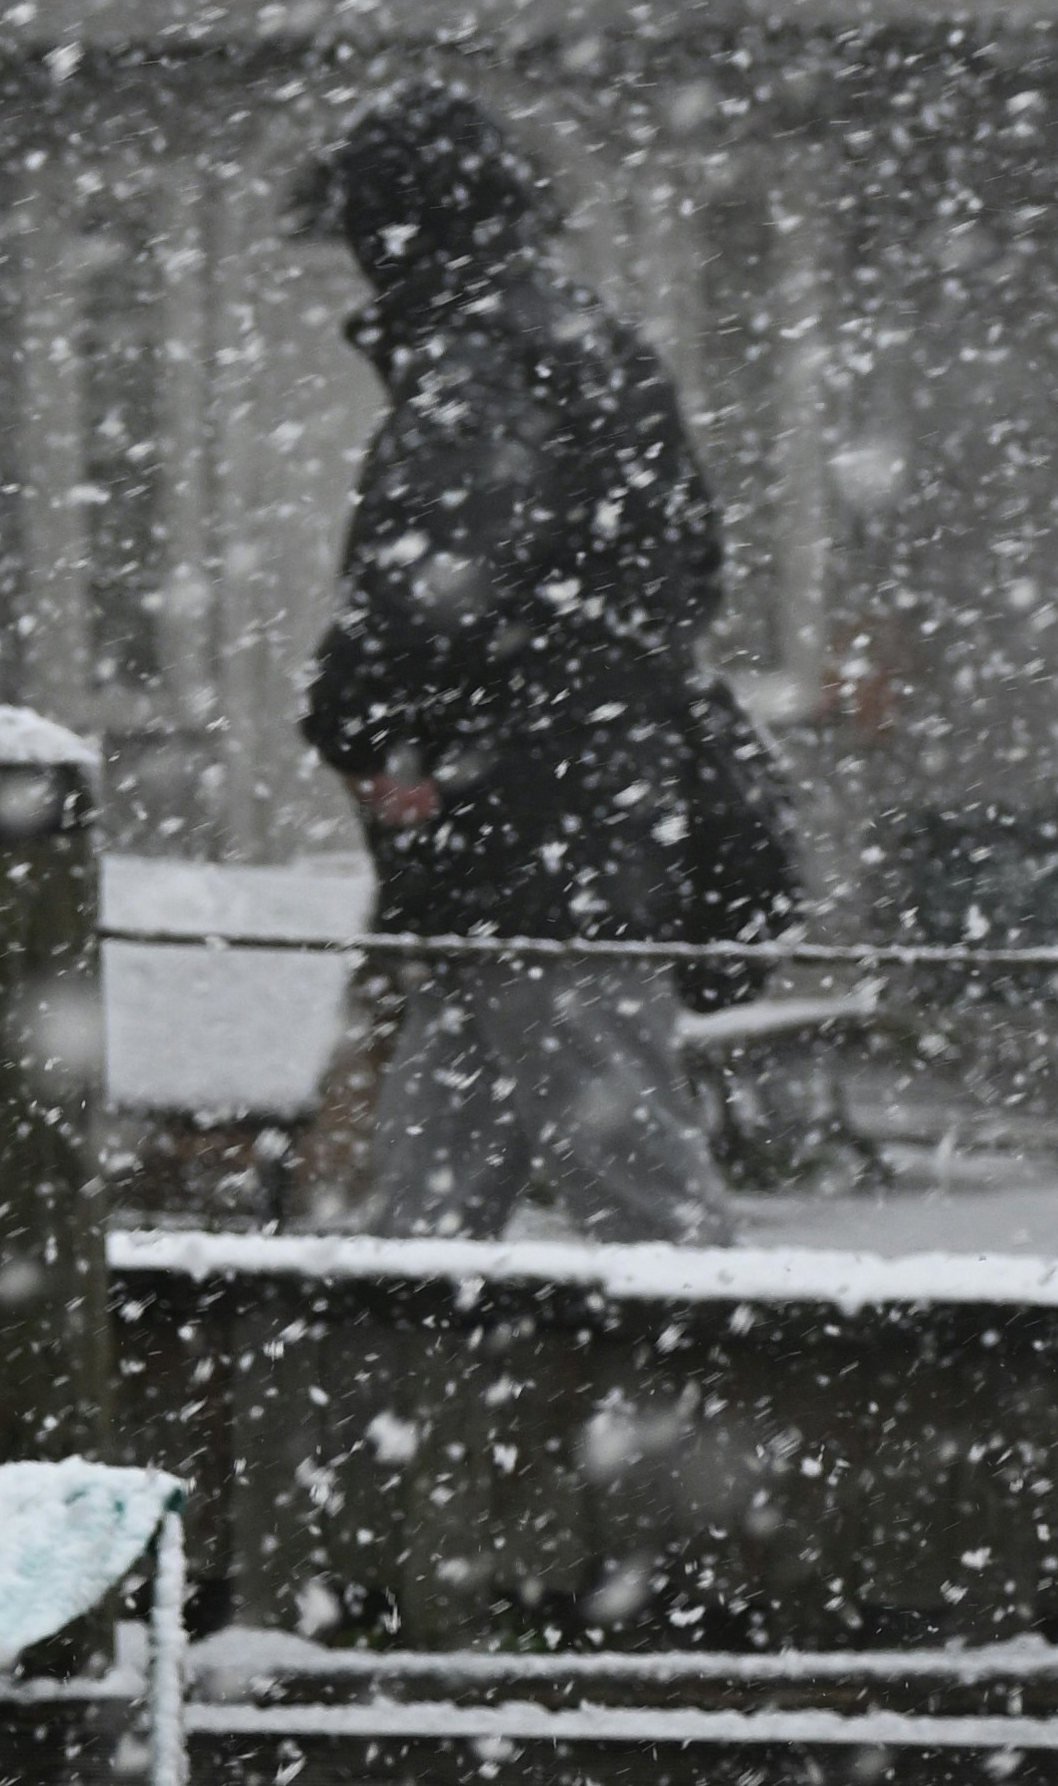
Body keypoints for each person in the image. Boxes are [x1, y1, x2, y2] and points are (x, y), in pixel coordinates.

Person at [297, 82, 740, 1243]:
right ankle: (399, 1402)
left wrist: (356, 717)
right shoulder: (590, 346)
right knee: (427, 1201)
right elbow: (687, 571)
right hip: (573, 823)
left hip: (526, 836)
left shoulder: (478, 362)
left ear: (391, 234)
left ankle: (739, 1409)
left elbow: (424, 586)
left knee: (639, 1196)